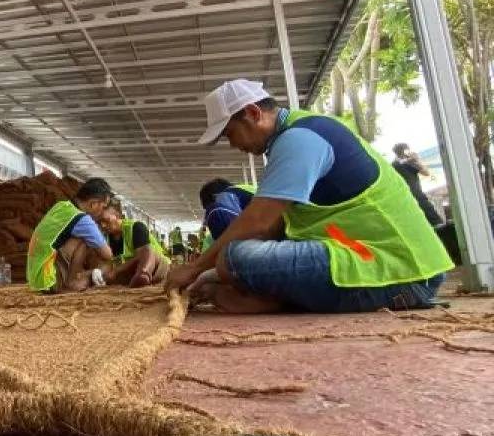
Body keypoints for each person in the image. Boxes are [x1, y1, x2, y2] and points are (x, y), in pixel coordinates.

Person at [166, 79, 452, 314]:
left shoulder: (300, 138)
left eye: (230, 133)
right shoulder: (299, 134)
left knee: (234, 258)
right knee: (229, 264)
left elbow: (260, 223)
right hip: (381, 261)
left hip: (394, 270)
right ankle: (274, 295)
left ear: (253, 114)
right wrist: (212, 273)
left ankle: (275, 300)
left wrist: (194, 268)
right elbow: (279, 228)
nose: (233, 144)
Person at [26, 177, 114, 293]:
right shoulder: (82, 220)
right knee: (87, 241)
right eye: (103, 207)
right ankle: (72, 282)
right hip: (48, 281)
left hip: (35, 279)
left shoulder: (61, 206)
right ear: (93, 204)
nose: (103, 211)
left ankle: (73, 278)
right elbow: (108, 254)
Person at [97, 202, 170, 287]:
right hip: (130, 273)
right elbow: (108, 262)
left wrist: (116, 271)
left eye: (106, 220)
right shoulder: (105, 238)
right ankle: (137, 280)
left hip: (157, 268)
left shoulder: (136, 227)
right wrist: (100, 272)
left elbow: (142, 255)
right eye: (99, 222)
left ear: (117, 216)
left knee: (147, 252)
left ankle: (143, 274)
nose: (103, 225)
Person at [391, 143, 443, 226]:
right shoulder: (401, 164)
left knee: (430, 221)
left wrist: (415, 161)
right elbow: (425, 172)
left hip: (411, 197)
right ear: (404, 151)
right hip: (414, 197)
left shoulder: (402, 163)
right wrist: (414, 160)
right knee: (434, 221)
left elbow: (426, 173)